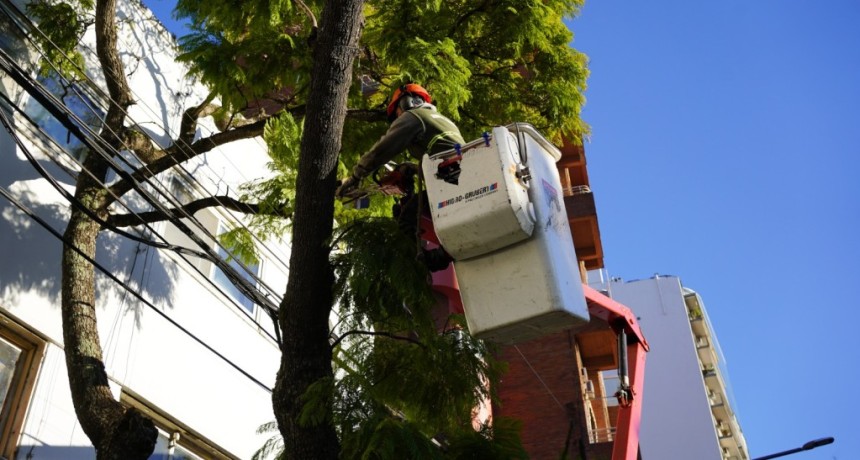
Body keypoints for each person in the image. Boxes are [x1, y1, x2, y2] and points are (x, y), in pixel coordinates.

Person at [335, 83, 465, 198]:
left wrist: (356, 176)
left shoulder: (414, 116)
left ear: (407, 102)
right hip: (461, 175)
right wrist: (411, 168)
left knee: (408, 213)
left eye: (397, 112)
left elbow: (381, 151)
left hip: (451, 177)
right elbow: (442, 154)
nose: (398, 117)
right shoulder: (442, 119)